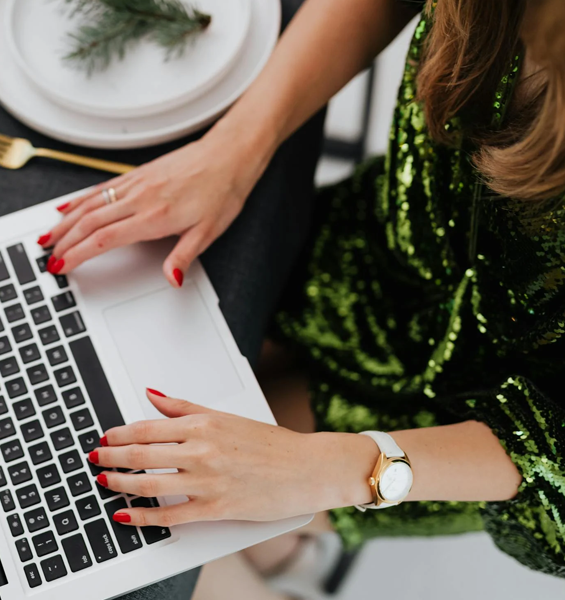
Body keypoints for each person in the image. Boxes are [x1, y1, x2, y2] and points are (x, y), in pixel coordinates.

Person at [40, 0, 565, 594]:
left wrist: (330, 470)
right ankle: (285, 546)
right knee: (98, 395)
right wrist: (232, 151)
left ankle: (287, 553)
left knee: (154, 508)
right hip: (367, 253)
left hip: (473, 425)